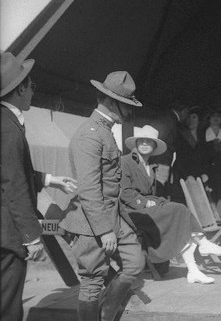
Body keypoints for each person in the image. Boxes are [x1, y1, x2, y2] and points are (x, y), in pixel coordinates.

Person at [59, 71, 145, 321]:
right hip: (92, 222)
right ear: (110, 102)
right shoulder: (89, 134)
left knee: (134, 264)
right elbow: (88, 188)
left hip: (114, 216)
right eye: (125, 106)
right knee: (92, 280)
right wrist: (104, 229)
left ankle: (106, 316)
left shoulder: (104, 130)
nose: (128, 112)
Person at [1, 52, 77, 321]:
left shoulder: (6, 122)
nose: (33, 92)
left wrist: (51, 179)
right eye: (32, 87)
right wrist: (31, 236)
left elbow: (14, 171)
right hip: (7, 236)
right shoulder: (8, 128)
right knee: (8, 306)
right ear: (20, 89)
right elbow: (13, 184)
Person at [120, 125, 221, 284]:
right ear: (136, 144)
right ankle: (203, 244)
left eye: (149, 142)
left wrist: (157, 202)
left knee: (179, 217)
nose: (144, 144)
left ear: (154, 146)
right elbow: (125, 192)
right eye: (141, 141)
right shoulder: (125, 162)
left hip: (147, 211)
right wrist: (145, 202)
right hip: (131, 212)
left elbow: (151, 195)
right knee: (179, 209)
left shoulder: (152, 166)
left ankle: (193, 269)